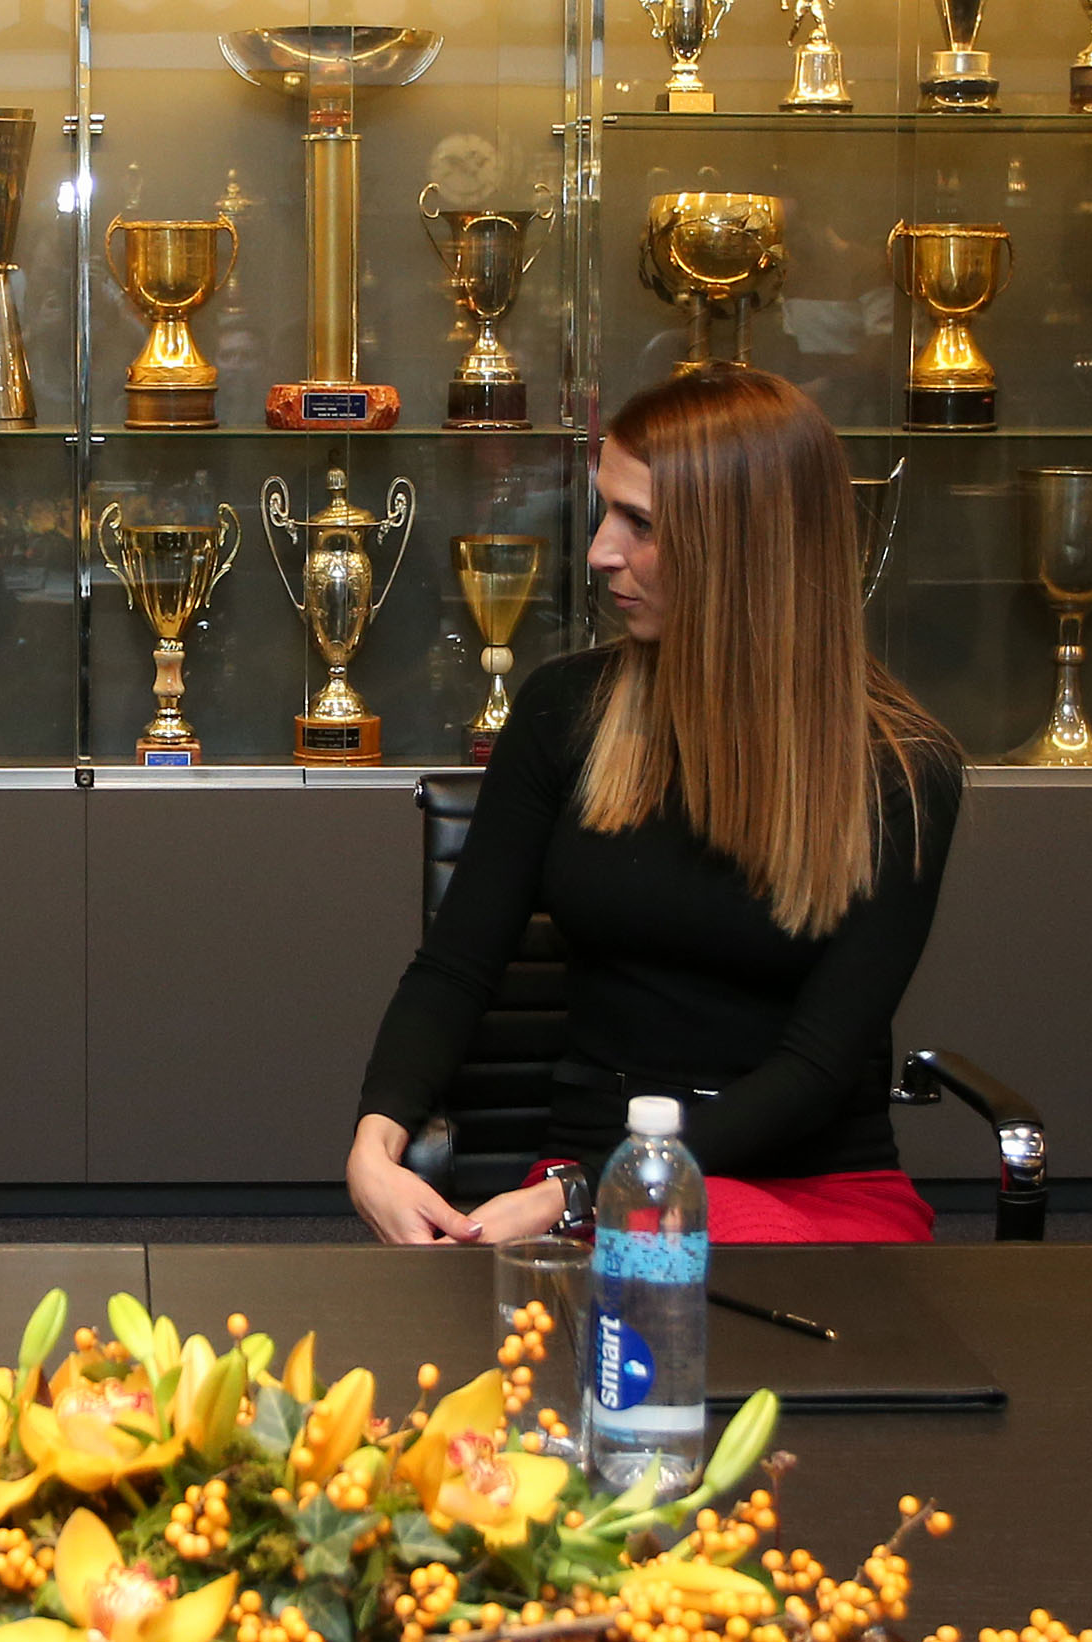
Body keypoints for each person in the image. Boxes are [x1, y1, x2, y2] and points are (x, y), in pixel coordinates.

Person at [344, 367, 964, 1246]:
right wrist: (376, 1141)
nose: (601, 551)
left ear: (740, 544)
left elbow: (816, 1070)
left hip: (807, 1193)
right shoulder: (564, 711)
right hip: (592, 1176)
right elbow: (456, 967)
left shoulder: (901, 768)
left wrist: (578, 1198)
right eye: (607, 512)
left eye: (639, 522)